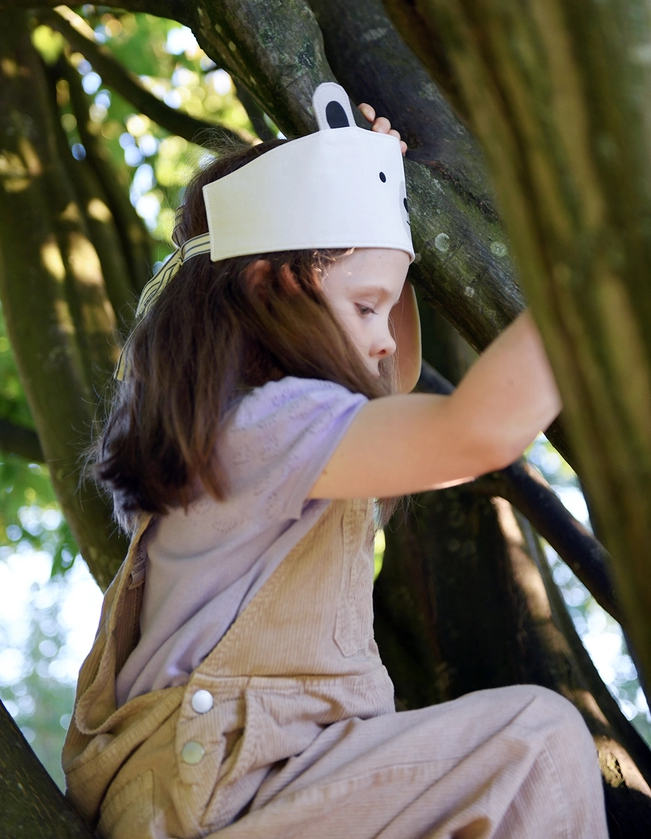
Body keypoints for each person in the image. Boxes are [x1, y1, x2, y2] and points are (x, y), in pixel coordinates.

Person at [62, 83, 609, 839]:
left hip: (248, 791)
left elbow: (398, 384)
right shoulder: (265, 425)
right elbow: (471, 432)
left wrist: (376, 190)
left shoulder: (242, 437)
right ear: (274, 286)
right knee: (539, 746)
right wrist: (599, 257)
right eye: (365, 307)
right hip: (228, 792)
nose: (386, 338)